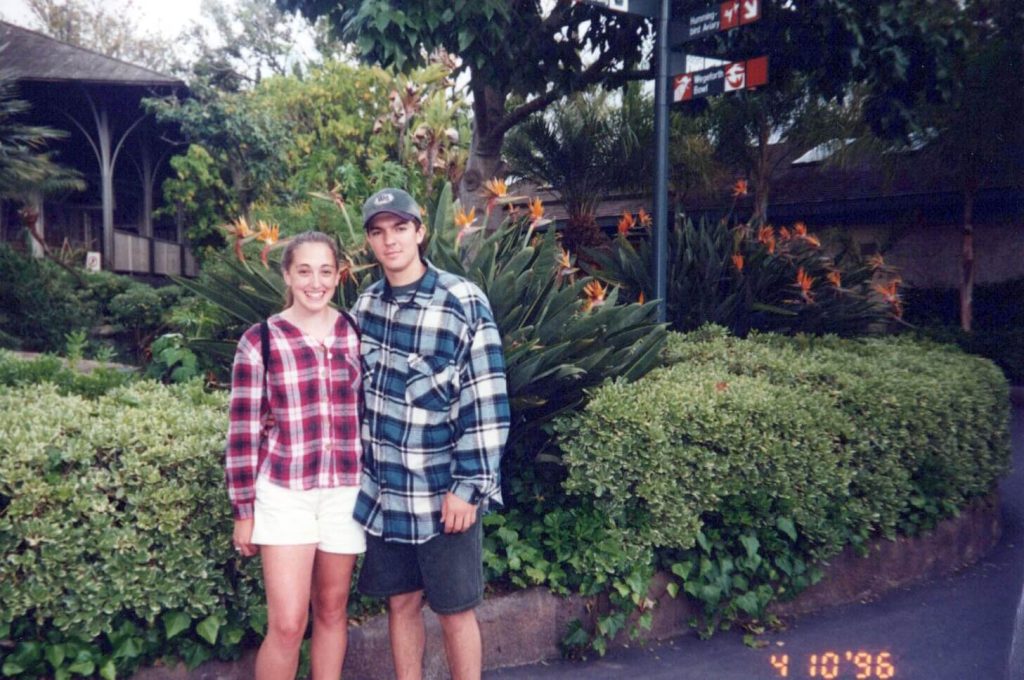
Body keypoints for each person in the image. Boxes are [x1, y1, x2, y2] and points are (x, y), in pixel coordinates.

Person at [353, 188, 511, 680]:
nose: (390, 240)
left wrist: (468, 489)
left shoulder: (461, 301)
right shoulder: (364, 308)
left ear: (421, 232)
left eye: (400, 228)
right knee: (400, 604)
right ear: (370, 242)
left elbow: (486, 400)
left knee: (454, 610)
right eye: (378, 232)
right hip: (386, 493)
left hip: (444, 496)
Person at [225, 231, 364, 680]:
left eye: (326, 271)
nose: (315, 282)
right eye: (304, 270)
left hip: (345, 491)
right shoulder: (260, 340)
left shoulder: (355, 333)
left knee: (331, 610)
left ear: (338, 275)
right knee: (287, 624)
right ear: (287, 274)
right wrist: (243, 511)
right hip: (285, 492)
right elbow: (243, 431)